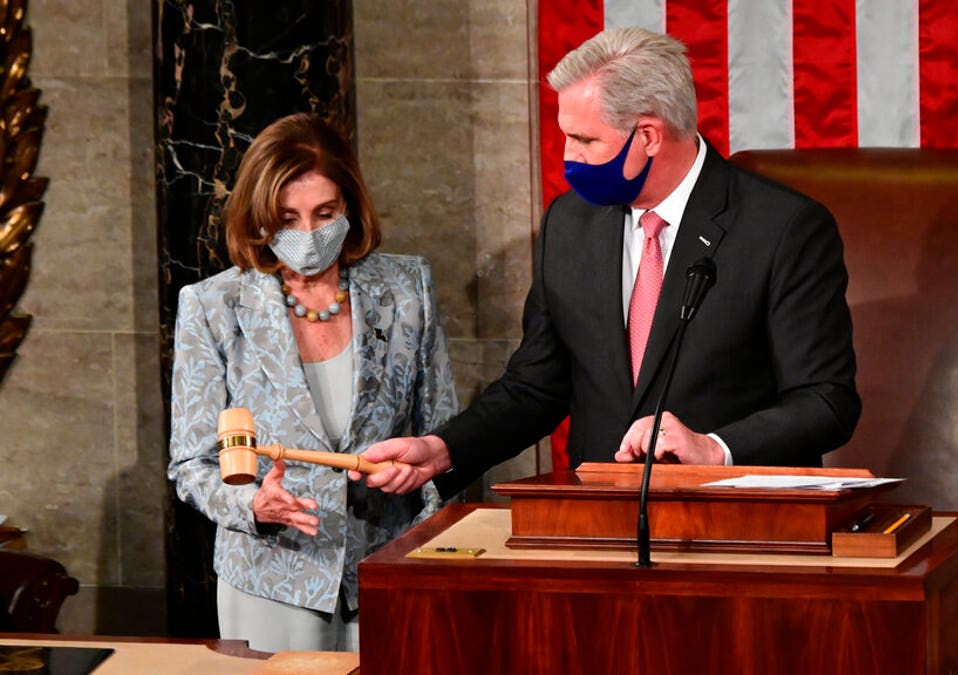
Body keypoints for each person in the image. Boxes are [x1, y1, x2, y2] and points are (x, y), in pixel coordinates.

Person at [355, 27, 859, 499]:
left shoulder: (783, 228)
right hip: (599, 522)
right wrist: (443, 450)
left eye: (585, 140)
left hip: (732, 526)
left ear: (648, 137)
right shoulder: (570, 225)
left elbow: (825, 400)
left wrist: (715, 447)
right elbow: (536, 387)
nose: (566, 156)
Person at [167, 112, 457, 653]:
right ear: (259, 218)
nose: (307, 235)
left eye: (324, 214)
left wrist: (433, 530)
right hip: (272, 576)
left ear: (349, 205)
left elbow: (444, 434)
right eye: (287, 218)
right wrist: (253, 505)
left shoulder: (407, 286)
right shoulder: (212, 305)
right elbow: (191, 462)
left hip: (389, 569)